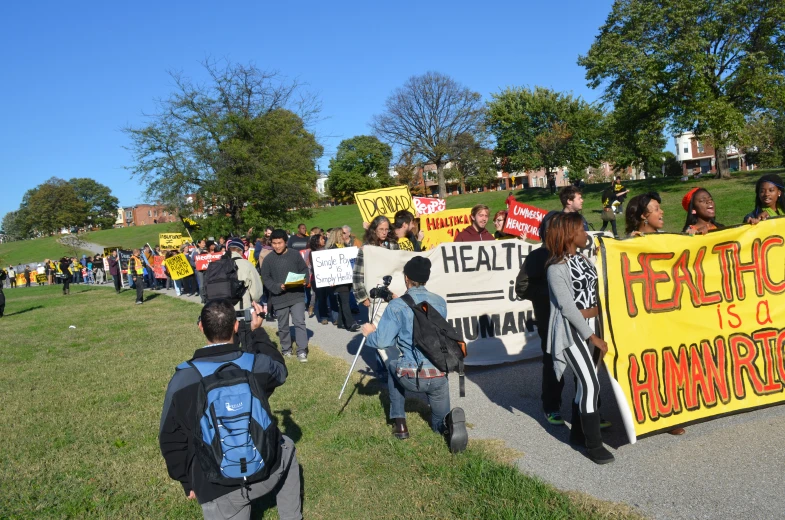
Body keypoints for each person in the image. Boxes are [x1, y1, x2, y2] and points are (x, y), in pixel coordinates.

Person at [159, 299, 301, 520]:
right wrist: (258, 331)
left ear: (201, 328)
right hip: (267, 468)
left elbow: (170, 438)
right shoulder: (255, 364)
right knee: (287, 446)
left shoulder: (184, 378)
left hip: (214, 485)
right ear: (236, 326)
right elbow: (279, 370)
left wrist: (188, 481)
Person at [361, 256, 468, 453]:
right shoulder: (439, 302)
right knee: (437, 423)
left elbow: (383, 341)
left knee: (392, 365)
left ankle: (400, 423)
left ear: (406, 278)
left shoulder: (396, 306)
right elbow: (423, 320)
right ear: (426, 278)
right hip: (438, 375)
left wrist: (369, 334)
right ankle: (448, 426)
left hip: (410, 376)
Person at [545, 212, 613, 464]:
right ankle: (594, 446)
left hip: (593, 323)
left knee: (589, 381)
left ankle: (577, 433)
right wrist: (592, 337)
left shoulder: (584, 259)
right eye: (582, 230)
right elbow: (567, 308)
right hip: (573, 329)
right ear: (569, 234)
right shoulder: (555, 268)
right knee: (591, 384)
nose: (586, 234)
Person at [625, 193, 685, 436]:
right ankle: (646, 413)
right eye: (656, 209)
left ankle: (672, 412)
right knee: (649, 365)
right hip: (643, 316)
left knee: (672, 361)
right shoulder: (627, 243)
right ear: (643, 215)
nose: (662, 213)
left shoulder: (666, 239)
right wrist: (629, 244)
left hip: (668, 312)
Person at [515, 211, 564, 424]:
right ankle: (551, 406)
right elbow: (522, 287)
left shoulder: (569, 253)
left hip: (575, 319)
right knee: (553, 363)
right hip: (549, 320)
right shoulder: (537, 256)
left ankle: (590, 409)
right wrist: (549, 293)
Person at [260, 230, 310, 362]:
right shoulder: (268, 259)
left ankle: (302, 350)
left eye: (280, 243)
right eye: (274, 243)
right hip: (279, 297)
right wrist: (277, 287)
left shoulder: (294, 255)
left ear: (285, 242)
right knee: (283, 325)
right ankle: (286, 349)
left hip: (297, 294)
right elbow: (266, 278)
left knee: (299, 322)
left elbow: (304, 270)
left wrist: (305, 279)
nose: (277, 246)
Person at [221, 238, 265, 350]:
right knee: (247, 346)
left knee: (227, 346)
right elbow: (256, 293)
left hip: (222, 313)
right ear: (241, 251)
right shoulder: (246, 265)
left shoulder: (218, 264)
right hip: (242, 314)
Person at [352, 215, 400, 308]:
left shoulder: (393, 245)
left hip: (393, 293)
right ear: (374, 230)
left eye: (387, 229)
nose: (384, 232)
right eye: (381, 229)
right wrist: (362, 297)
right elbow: (358, 274)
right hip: (374, 293)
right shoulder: (367, 248)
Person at [326, 228, 360, 332]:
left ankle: (341, 322)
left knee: (342, 300)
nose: (344, 235)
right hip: (339, 279)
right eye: (342, 234)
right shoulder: (332, 248)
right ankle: (350, 323)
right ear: (337, 235)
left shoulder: (345, 246)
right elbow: (328, 266)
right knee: (345, 301)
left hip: (347, 278)